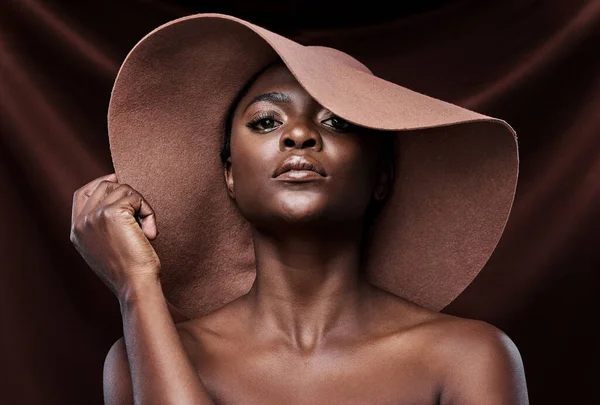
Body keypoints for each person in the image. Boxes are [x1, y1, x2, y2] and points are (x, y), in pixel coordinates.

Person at [70, 13, 528, 405]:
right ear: (229, 174)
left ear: (381, 177)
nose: (299, 136)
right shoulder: (143, 352)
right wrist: (136, 286)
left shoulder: (468, 356)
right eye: (267, 121)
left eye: (338, 122)